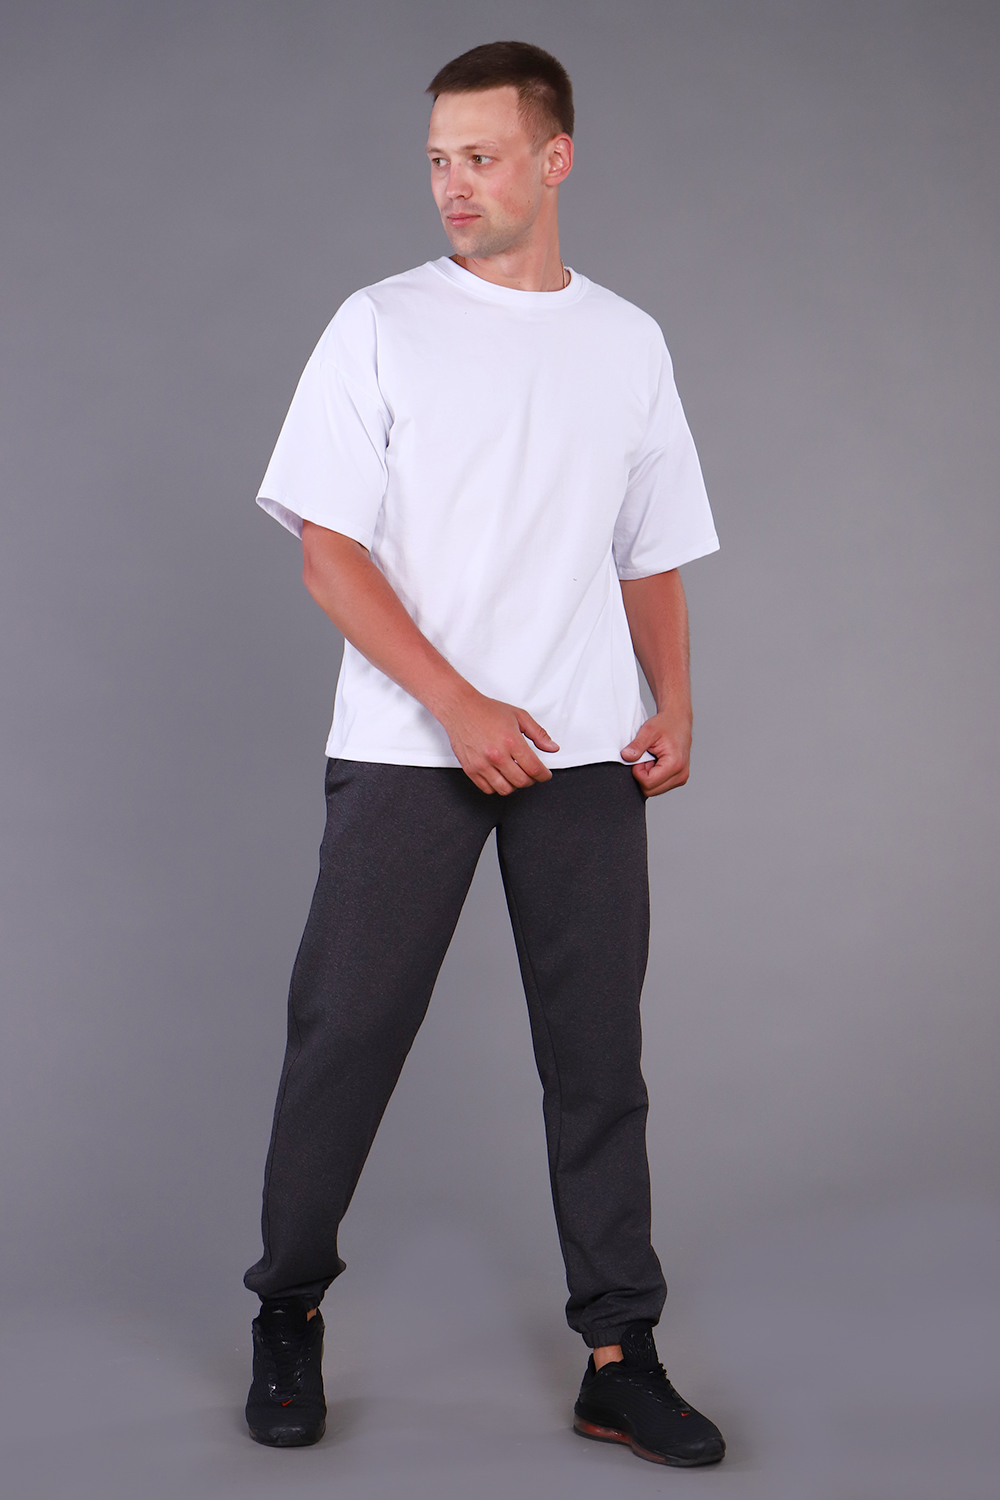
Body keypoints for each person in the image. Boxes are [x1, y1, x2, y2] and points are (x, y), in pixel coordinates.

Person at [243, 39, 726, 1470]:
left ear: (554, 157)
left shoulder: (628, 341)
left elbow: (650, 548)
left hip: (584, 754)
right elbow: (328, 553)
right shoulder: (379, 325)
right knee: (345, 1037)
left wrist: (675, 697)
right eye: (439, 161)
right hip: (411, 745)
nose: (454, 185)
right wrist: (457, 706)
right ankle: (286, 1309)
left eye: (483, 157)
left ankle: (620, 1356)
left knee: (598, 1062)